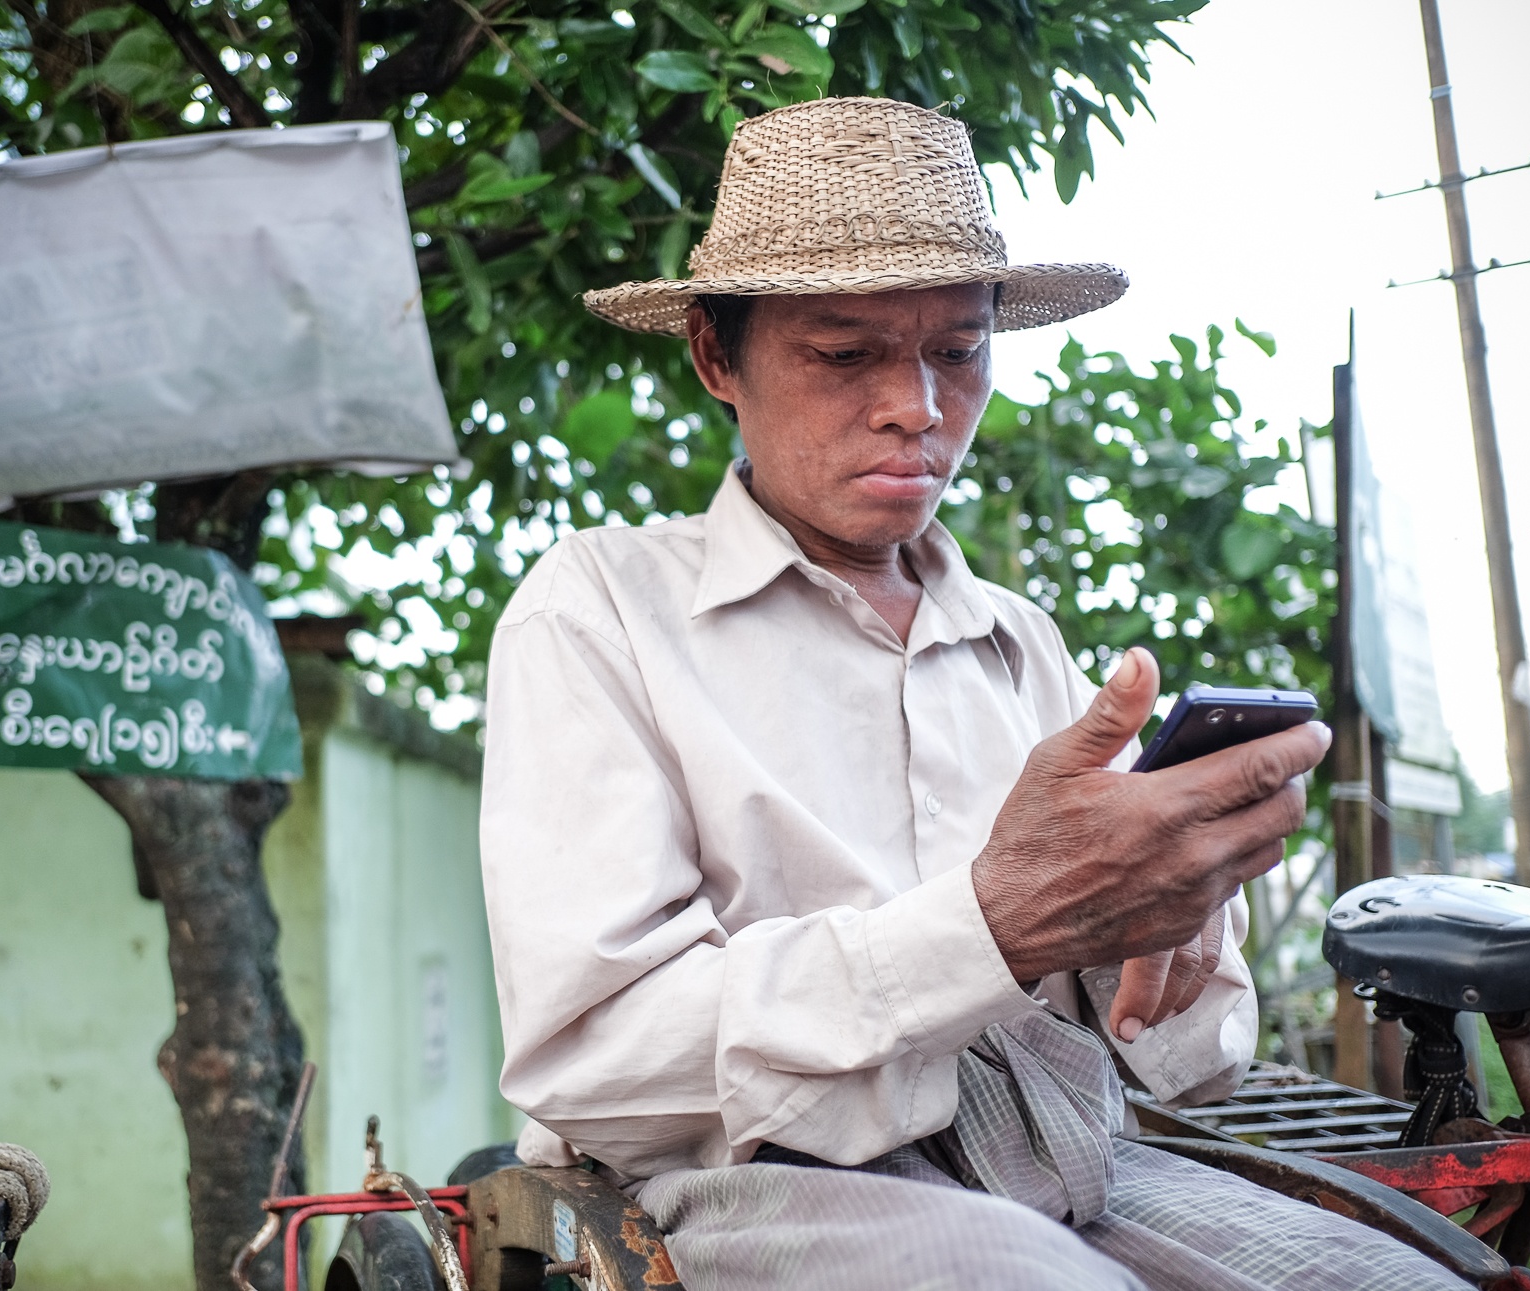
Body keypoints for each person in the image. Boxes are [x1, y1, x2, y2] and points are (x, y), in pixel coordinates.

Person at [480, 98, 1463, 1290]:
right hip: (754, 1188)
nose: (916, 405)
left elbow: (1192, 1067)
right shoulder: (598, 609)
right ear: (713, 358)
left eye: (956, 351)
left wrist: (1175, 913)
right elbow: (598, 1058)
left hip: (1076, 1159)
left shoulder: (1020, 643)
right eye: (842, 354)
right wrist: (994, 924)